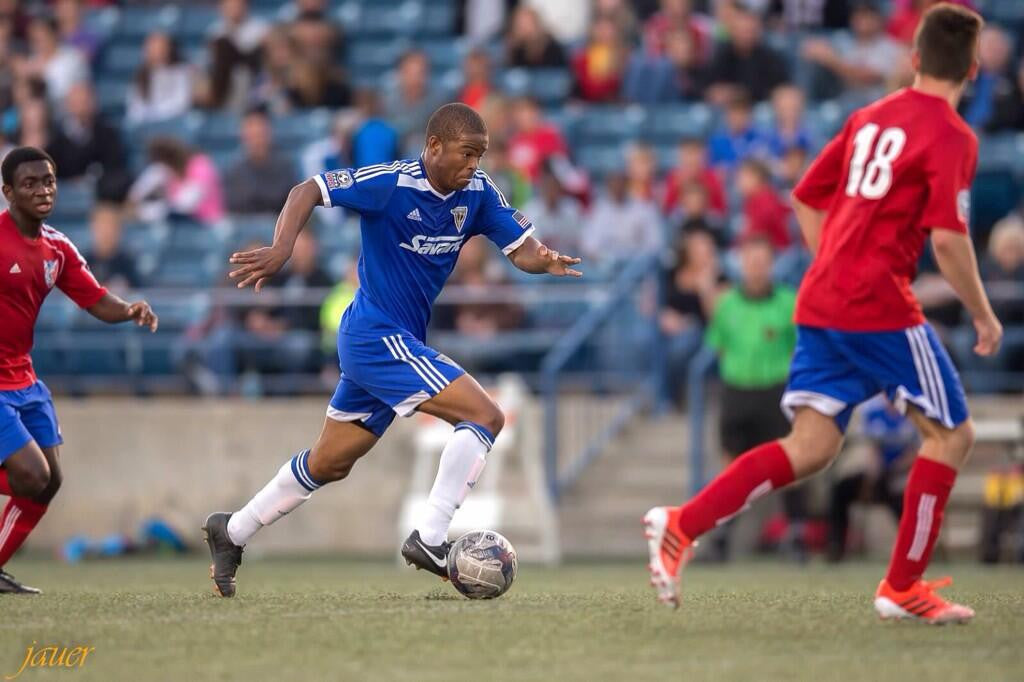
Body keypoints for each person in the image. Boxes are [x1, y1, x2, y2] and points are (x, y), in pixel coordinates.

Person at [644, 4, 1002, 624]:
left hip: (824, 298)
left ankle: (681, 524)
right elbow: (948, 241)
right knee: (952, 434)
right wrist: (984, 314)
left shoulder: (868, 117)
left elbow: (807, 195)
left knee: (810, 446)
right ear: (972, 67)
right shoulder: (951, 135)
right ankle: (902, 584)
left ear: (913, 59)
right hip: (877, 304)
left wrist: (835, 259)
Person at [202, 103, 582, 598]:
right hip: (375, 334)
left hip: (397, 342)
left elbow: (522, 249)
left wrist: (543, 259)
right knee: (486, 416)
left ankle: (231, 531)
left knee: (329, 463)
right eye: (466, 154)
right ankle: (430, 539)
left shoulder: (479, 193)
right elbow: (307, 190)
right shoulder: (390, 184)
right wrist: (282, 248)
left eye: (480, 155)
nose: (474, 165)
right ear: (433, 147)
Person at [0, 146, 158, 593]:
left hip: (23, 379)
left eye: (48, 180)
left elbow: (95, 299)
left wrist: (129, 311)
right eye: (29, 183)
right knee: (30, 475)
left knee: (47, 483)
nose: (42, 190)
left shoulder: (57, 247)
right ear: (8, 191)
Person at [703, 235, 802, 559]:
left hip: (775, 390)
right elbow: (717, 344)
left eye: (762, 262)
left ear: (771, 265)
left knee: (786, 465)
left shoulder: (788, 302)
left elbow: (799, 347)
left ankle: (796, 535)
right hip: (737, 391)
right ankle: (722, 539)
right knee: (731, 466)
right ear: (742, 264)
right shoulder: (727, 303)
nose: (756, 268)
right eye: (751, 262)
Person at [223, 108, 297, 215]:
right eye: (251, 127)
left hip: (280, 227)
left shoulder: (285, 167)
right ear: (243, 134)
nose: (257, 135)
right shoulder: (233, 170)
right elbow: (234, 210)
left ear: (269, 131)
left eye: (261, 129)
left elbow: (292, 206)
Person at [126, 32, 194, 125]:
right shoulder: (141, 75)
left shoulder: (182, 72)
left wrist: (156, 116)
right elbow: (135, 109)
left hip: (172, 124)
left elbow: (181, 103)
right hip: (146, 125)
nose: (156, 50)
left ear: (169, 48)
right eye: (152, 47)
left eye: (160, 47)